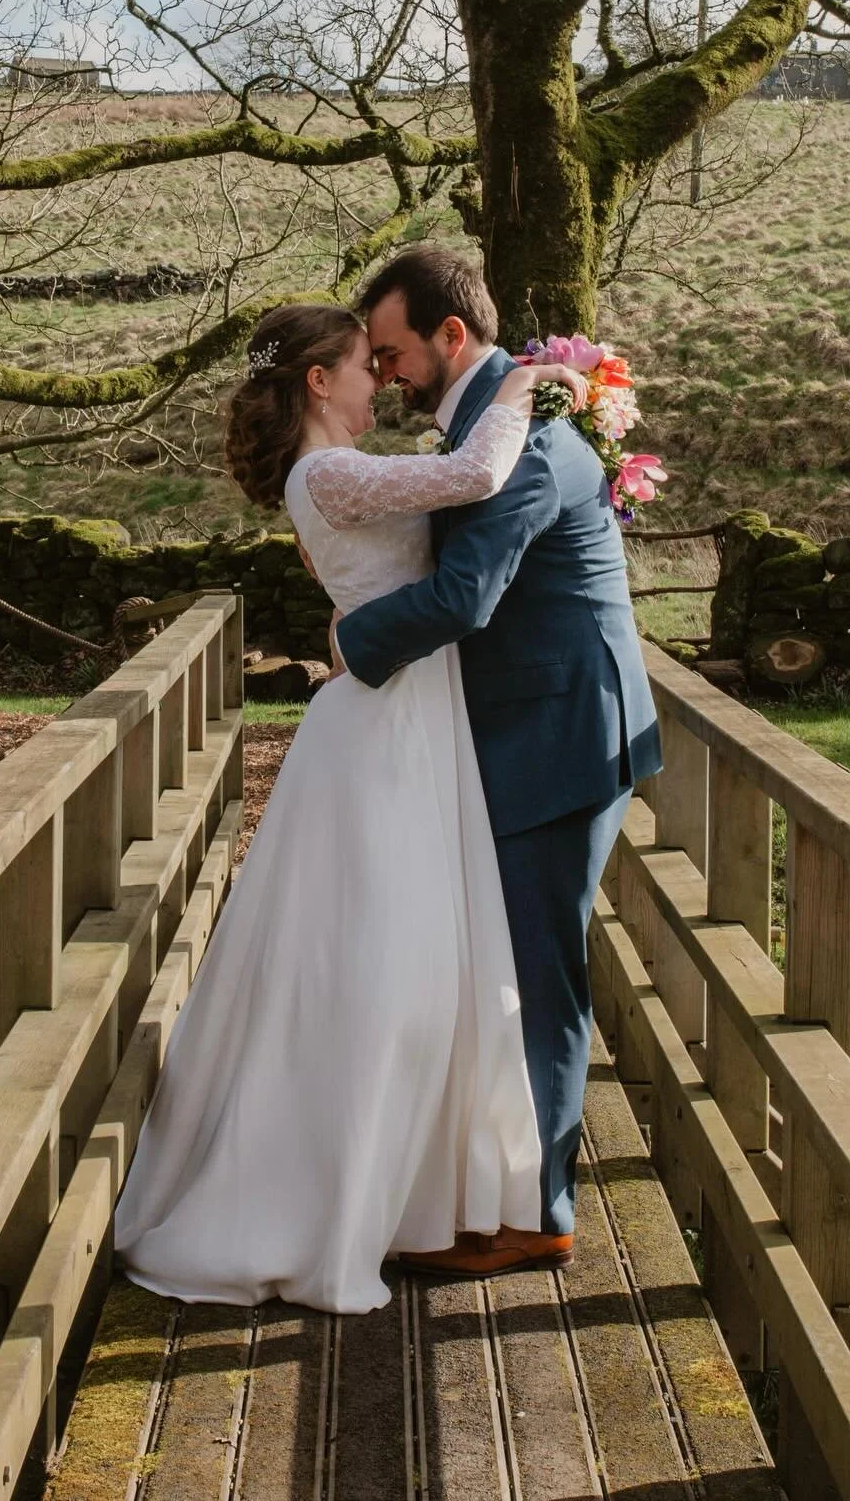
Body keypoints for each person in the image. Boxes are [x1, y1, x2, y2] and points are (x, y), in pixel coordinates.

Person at [112, 302, 587, 1313]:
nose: (382, 380)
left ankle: (409, 1188)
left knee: (412, 956)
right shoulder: (326, 473)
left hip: (410, 715)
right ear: (319, 383)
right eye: (364, 366)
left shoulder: (334, 475)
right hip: (387, 731)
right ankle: (331, 1197)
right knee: (378, 959)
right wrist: (521, 388)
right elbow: (471, 478)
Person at [334, 246, 661, 1276]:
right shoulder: (496, 421)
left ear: (452, 336)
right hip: (538, 722)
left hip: (560, 734)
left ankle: (541, 1213)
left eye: (390, 354)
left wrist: (349, 647)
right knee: (517, 964)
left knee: (539, 971)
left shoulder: (516, 438)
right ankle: (503, 1184)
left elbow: (467, 599)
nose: (380, 374)